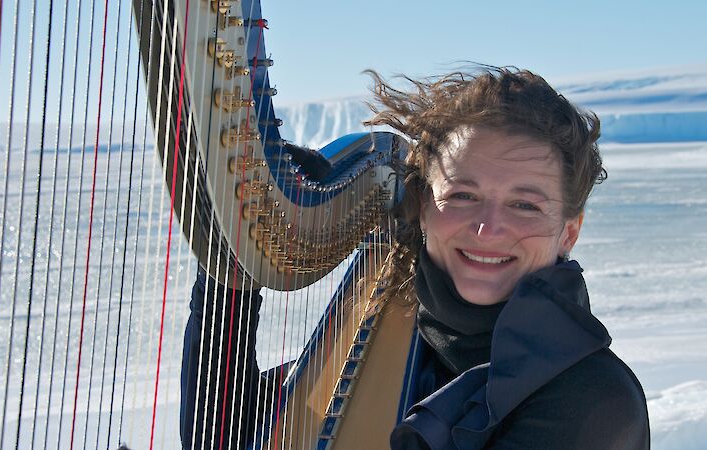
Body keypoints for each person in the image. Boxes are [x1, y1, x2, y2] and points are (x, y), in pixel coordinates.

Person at [180, 66, 650, 449]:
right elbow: (219, 435)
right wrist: (230, 272)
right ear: (424, 206)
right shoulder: (392, 340)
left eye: (524, 205)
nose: (488, 228)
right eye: (463, 195)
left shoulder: (594, 403)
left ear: (569, 231)